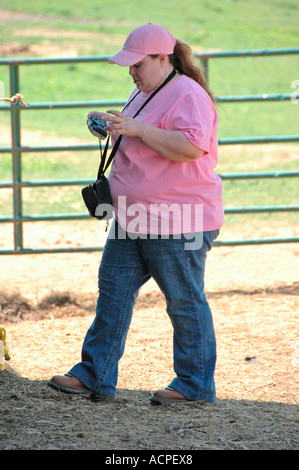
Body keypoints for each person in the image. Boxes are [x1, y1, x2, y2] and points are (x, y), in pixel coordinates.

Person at [48, 23, 223, 404]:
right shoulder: (147, 89)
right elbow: (142, 133)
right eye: (129, 65)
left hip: (179, 220)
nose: (131, 71)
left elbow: (190, 148)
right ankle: (95, 374)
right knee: (113, 293)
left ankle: (194, 386)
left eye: (138, 64)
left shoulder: (188, 94)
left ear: (163, 59)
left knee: (183, 301)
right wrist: (113, 127)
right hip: (134, 216)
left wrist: (138, 129)